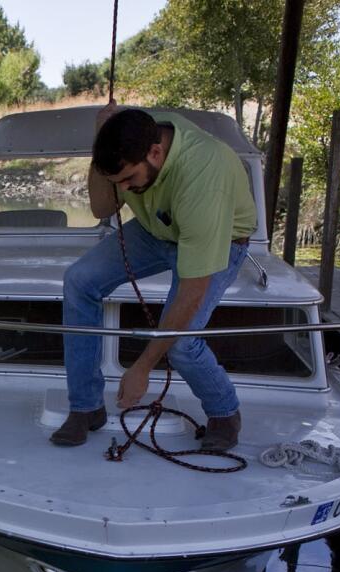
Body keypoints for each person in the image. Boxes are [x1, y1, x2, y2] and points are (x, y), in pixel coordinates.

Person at [50, 102, 257, 451]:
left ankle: (224, 414)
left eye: (130, 179)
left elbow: (191, 292)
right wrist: (100, 137)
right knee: (79, 281)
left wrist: (142, 367)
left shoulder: (204, 174)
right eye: (120, 182)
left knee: (181, 342)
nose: (125, 190)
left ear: (156, 152)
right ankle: (86, 407)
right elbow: (103, 208)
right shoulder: (134, 146)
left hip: (217, 235)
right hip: (156, 227)